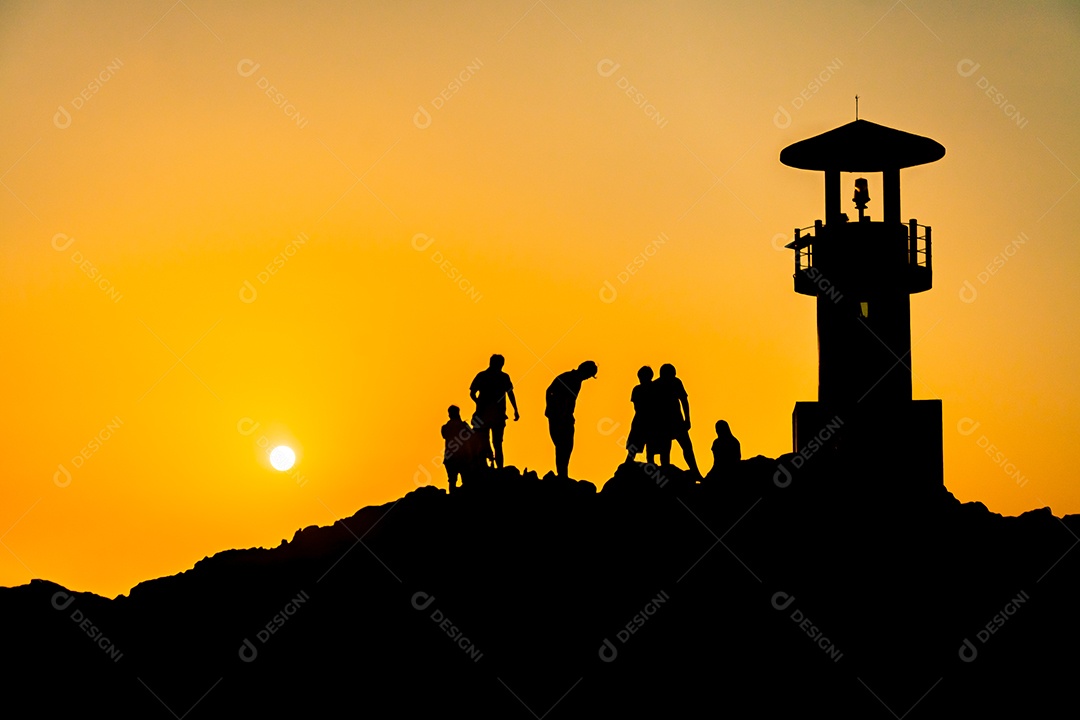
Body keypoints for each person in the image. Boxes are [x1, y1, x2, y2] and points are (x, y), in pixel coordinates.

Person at [544, 360, 598, 478]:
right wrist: (553, 409)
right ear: (584, 370)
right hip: (559, 417)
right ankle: (562, 475)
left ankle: (563, 474)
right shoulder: (569, 378)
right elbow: (550, 391)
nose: (588, 378)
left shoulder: (576, 380)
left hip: (564, 416)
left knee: (565, 446)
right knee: (563, 445)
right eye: (588, 375)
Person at [469, 354, 519, 469]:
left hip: (487, 415)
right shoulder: (503, 377)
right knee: (496, 443)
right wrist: (515, 409)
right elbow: (510, 393)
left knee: (485, 442)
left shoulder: (482, 376)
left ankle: (490, 467)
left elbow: (472, 393)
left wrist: (478, 402)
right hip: (496, 415)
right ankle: (498, 468)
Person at [653, 363, 700, 476]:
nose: (672, 377)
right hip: (664, 423)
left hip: (677, 421)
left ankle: (695, 472)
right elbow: (652, 407)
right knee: (665, 449)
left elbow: (684, 401)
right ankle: (665, 472)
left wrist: (687, 419)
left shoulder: (676, 382)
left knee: (687, 447)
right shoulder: (656, 385)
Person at [625, 366, 657, 464]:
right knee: (635, 446)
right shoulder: (639, 389)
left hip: (646, 420)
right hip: (642, 420)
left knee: (650, 447)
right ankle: (628, 464)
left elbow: (637, 406)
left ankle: (630, 463)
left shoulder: (651, 388)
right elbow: (637, 406)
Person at [441, 405, 473, 493]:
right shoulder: (463, 426)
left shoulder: (445, 427)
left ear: (449, 415)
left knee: (452, 481)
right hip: (463, 458)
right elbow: (472, 438)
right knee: (466, 481)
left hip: (450, 458)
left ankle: (452, 498)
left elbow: (444, 435)